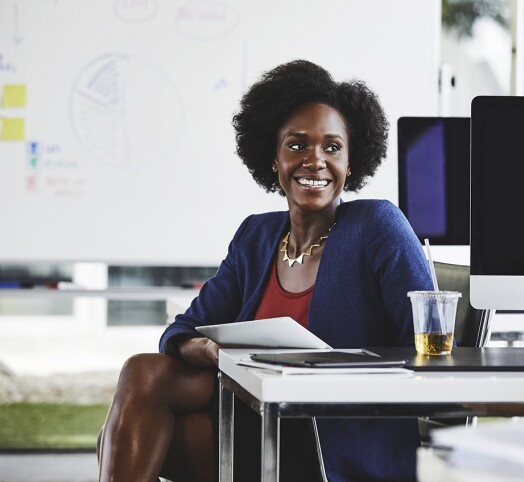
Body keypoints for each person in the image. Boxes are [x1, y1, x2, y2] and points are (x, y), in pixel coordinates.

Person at [98, 60, 433, 482]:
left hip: (332, 434)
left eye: (332, 147)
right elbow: (182, 331)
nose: (315, 160)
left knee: (127, 435)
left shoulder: (377, 226)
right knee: (142, 373)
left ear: (352, 161)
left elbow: (426, 348)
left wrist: (323, 368)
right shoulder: (257, 235)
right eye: (297, 145)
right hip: (256, 415)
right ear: (273, 158)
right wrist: (205, 350)